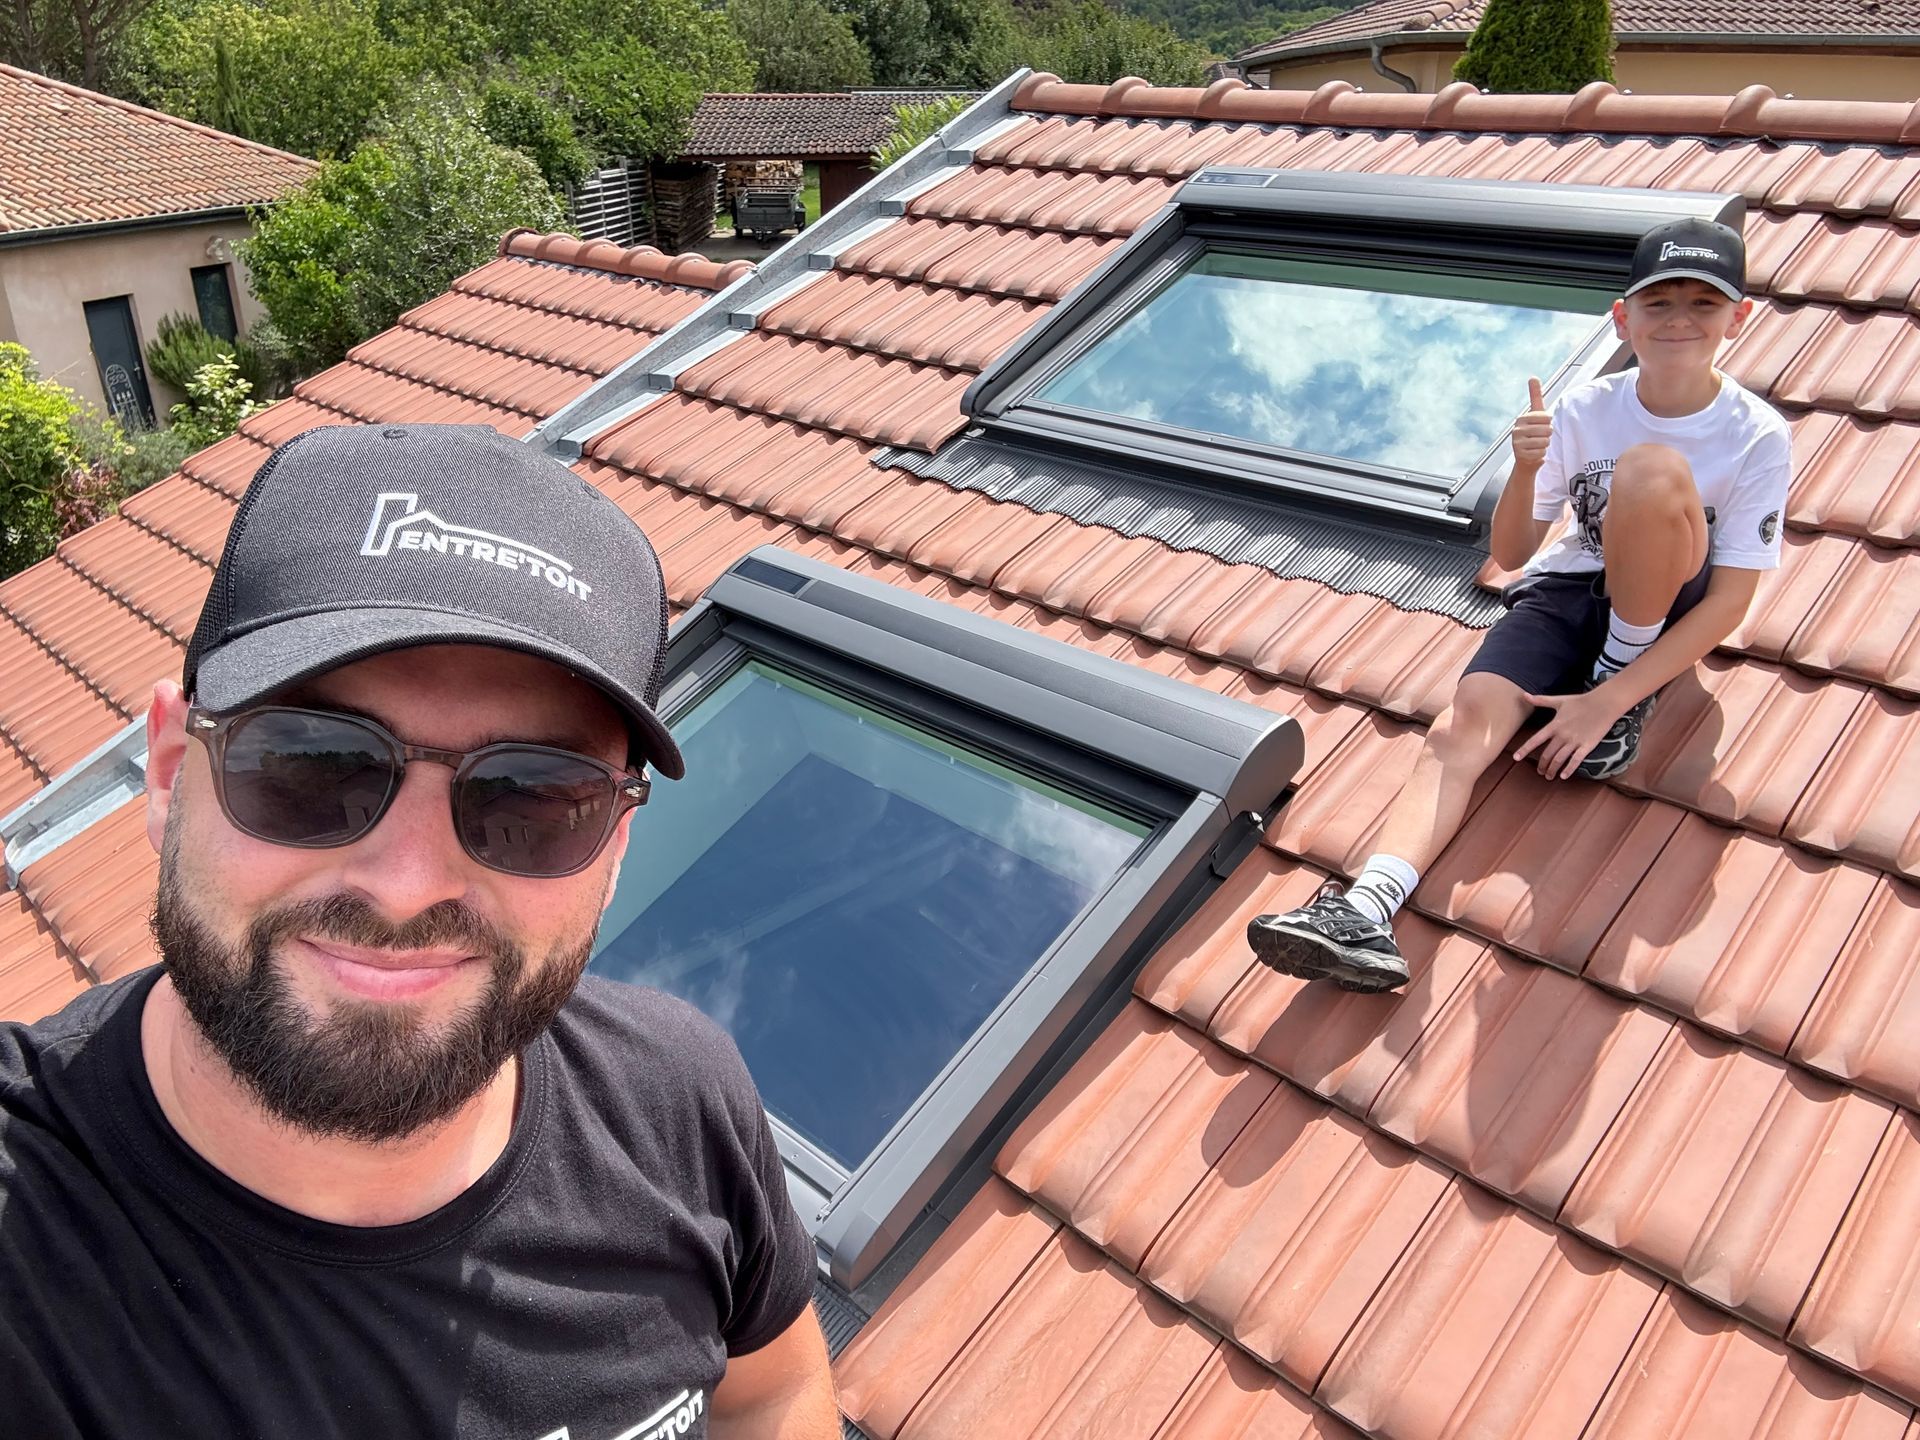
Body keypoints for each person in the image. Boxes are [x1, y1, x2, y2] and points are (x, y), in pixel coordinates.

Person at [0, 424, 839, 1438]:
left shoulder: (681, 1105)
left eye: (531, 797)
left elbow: (775, 1393)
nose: (405, 888)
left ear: (615, 844)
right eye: (313, 763)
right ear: (173, 770)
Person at [1247, 217, 1792, 993]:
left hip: (1666, 605)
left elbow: (1731, 601)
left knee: (1648, 472)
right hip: (1570, 589)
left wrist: (1607, 701)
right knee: (1462, 724)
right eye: (1658, 302)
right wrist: (1524, 464)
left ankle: (1618, 671)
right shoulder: (1582, 409)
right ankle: (1368, 908)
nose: (1678, 320)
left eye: (1702, 304)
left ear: (1736, 318)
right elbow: (1511, 553)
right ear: (1622, 318)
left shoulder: (1756, 435)